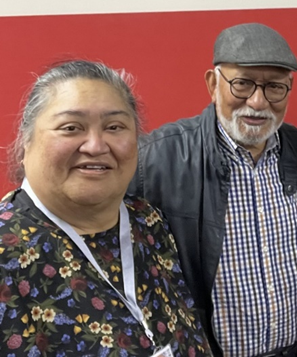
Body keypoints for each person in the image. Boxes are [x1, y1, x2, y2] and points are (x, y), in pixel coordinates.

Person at [128, 24, 297, 357]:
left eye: (275, 86)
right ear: (213, 84)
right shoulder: (156, 159)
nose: (258, 102)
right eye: (242, 83)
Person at [0, 60, 210, 356]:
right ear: (26, 141)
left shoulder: (147, 221)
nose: (96, 145)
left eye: (114, 127)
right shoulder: (6, 253)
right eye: (71, 127)